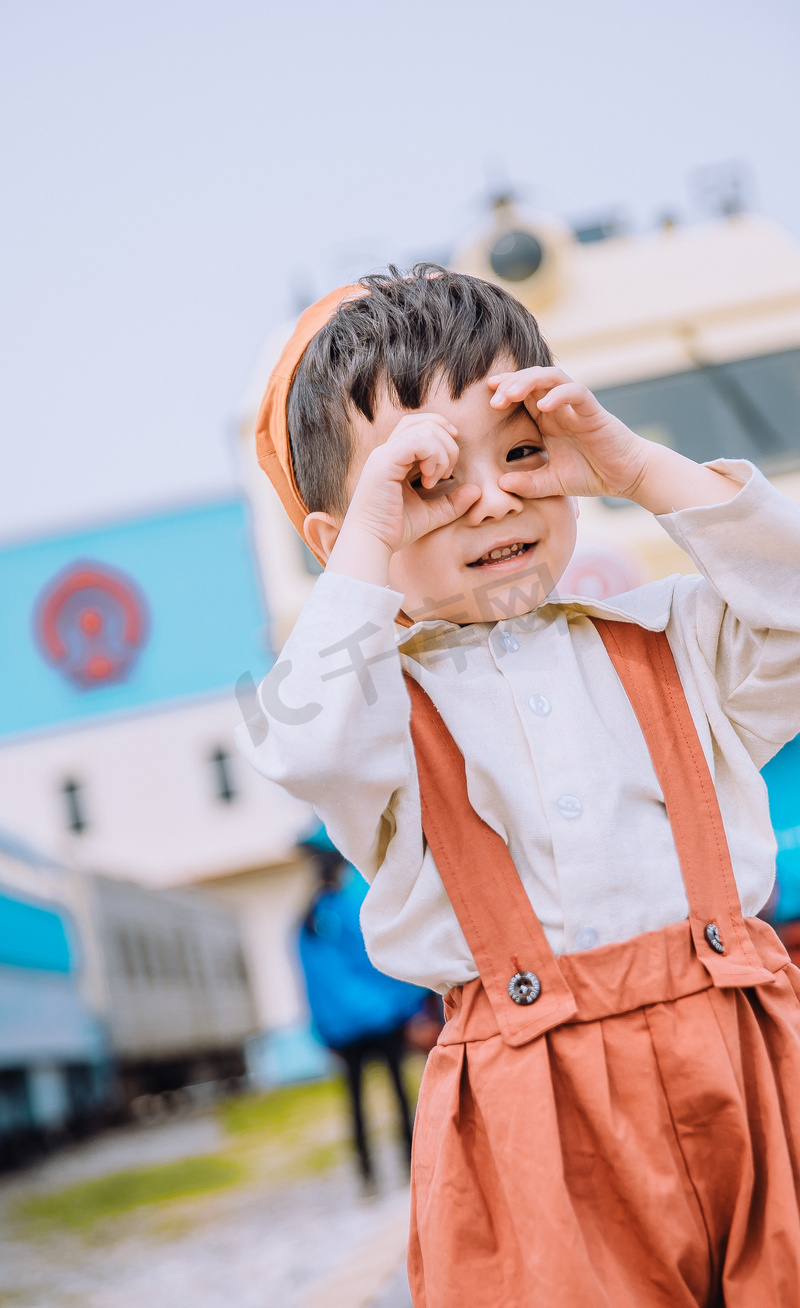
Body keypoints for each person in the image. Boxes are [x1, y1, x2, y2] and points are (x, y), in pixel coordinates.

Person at [236, 267, 800, 1306]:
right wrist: (360, 543)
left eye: (523, 452)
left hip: (752, 1066)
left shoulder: (669, 636)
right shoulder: (376, 716)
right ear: (344, 542)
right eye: (422, 483)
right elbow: (299, 743)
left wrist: (633, 466)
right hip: (536, 1117)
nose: (491, 498)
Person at [297, 825, 425, 1190]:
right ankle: (411, 1166)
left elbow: (311, 981)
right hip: (383, 1018)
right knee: (400, 1095)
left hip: (344, 1029)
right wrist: (412, 1006)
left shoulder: (310, 914)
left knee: (356, 1105)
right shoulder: (360, 899)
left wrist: (322, 1030)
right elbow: (389, 958)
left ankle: (368, 1176)